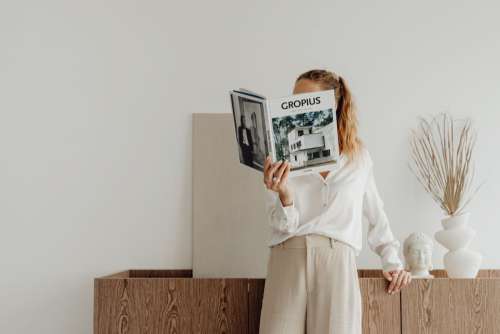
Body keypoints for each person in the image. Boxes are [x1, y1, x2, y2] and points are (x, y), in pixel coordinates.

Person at [259, 69, 412, 334]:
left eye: (308, 101)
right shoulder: (279, 155)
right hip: (288, 257)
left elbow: (376, 214)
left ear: (333, 105)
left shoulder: (357, 157)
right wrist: (284, 195)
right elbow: (281, 224)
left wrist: (392, 263)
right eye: (294, 101)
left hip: (337, 260)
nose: (298, 109)